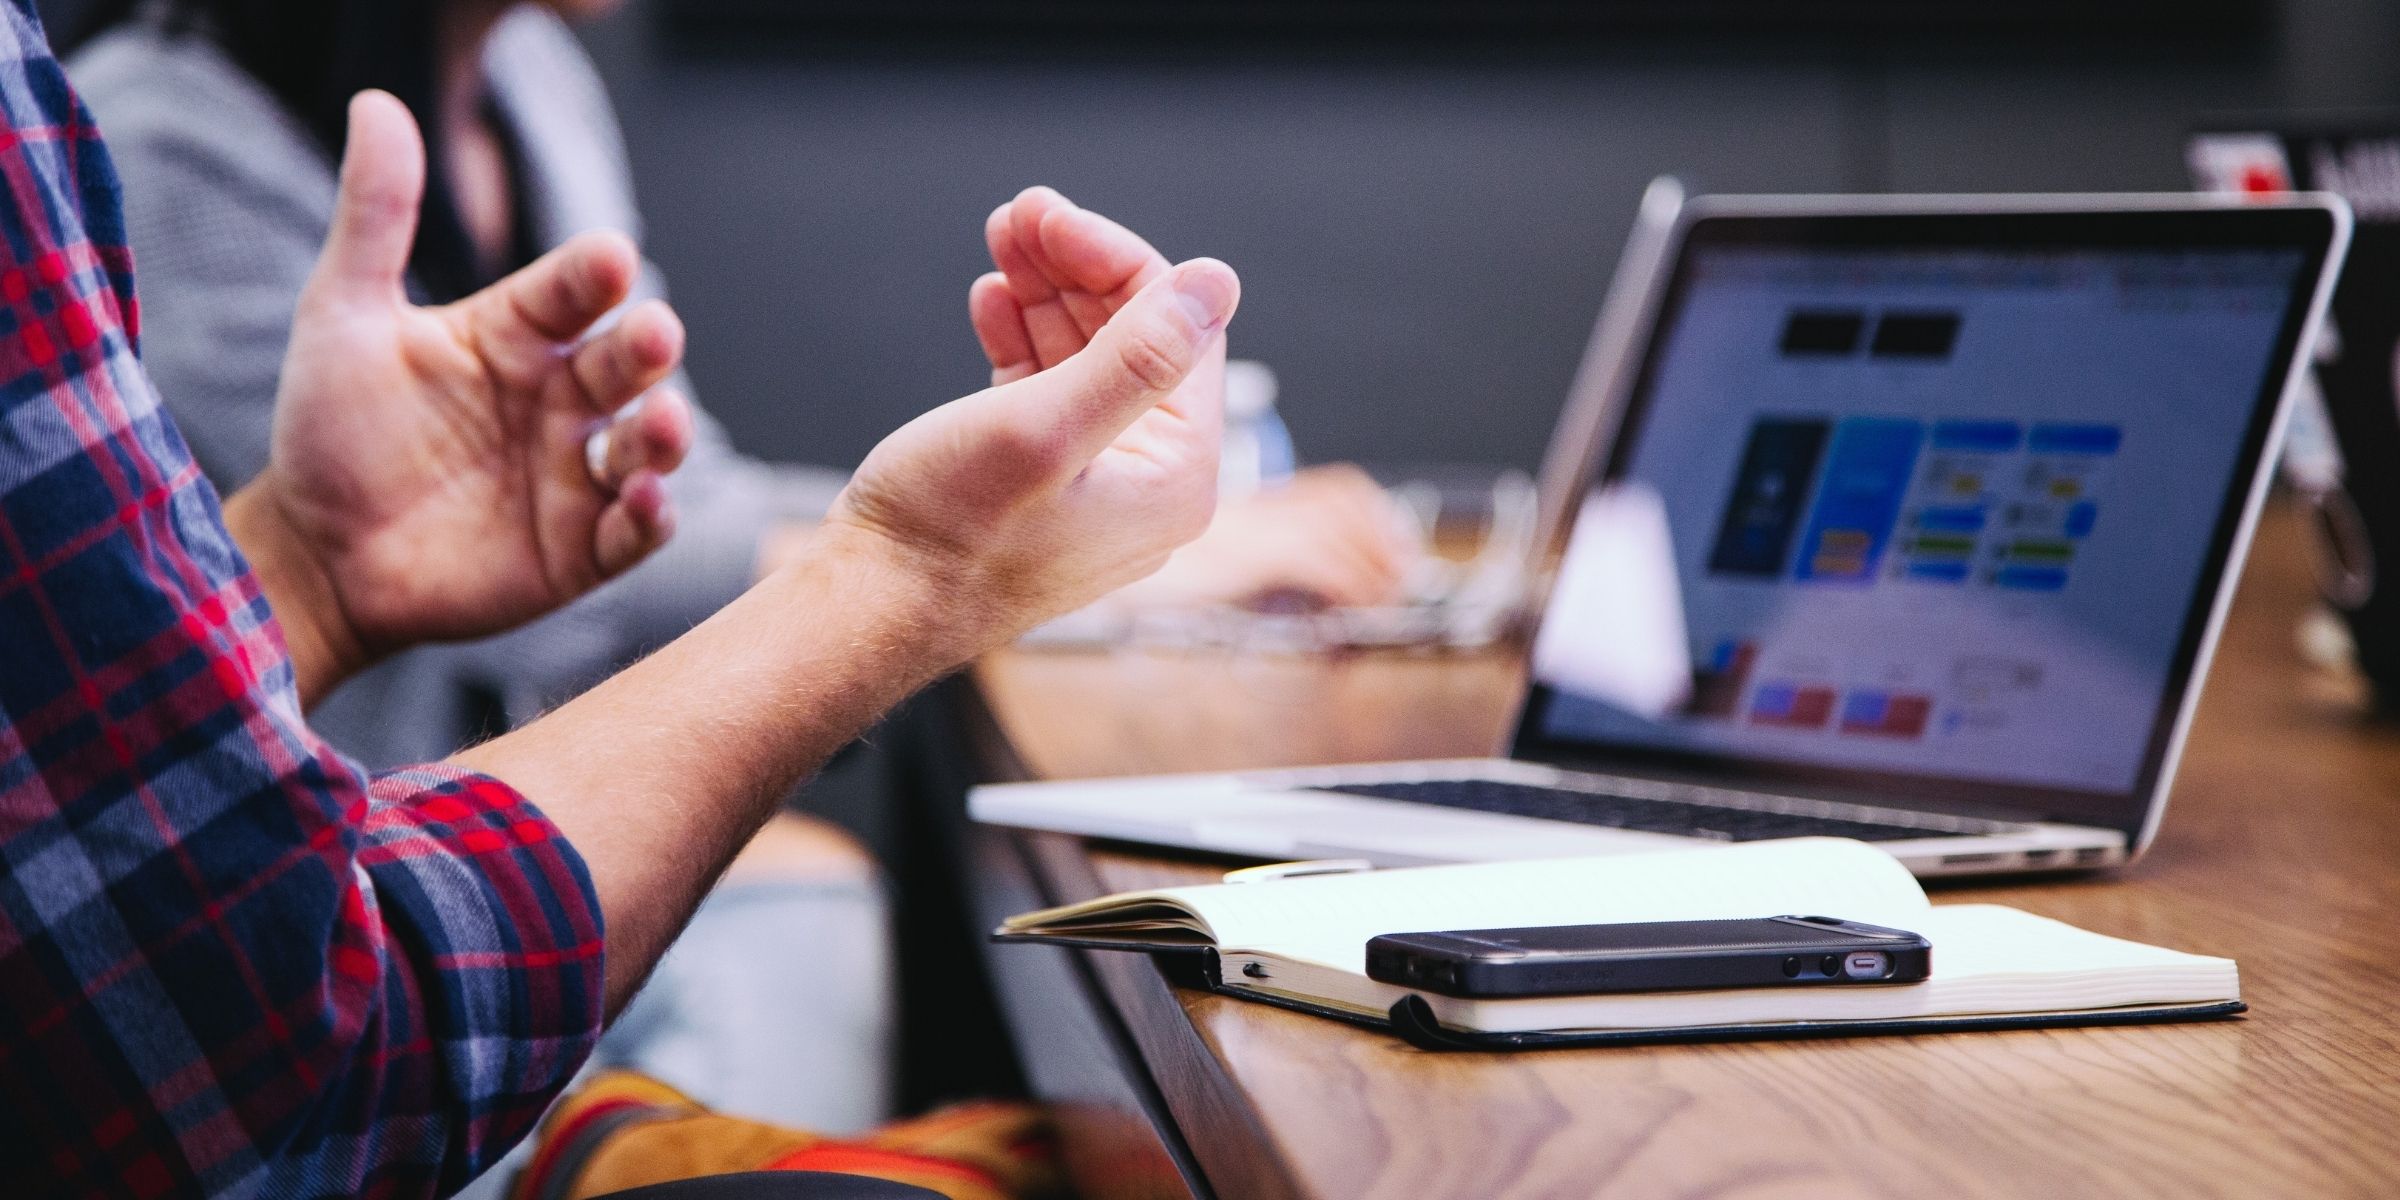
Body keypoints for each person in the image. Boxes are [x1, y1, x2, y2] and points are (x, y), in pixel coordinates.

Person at [61, 0, 1413, 1132]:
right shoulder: (162, 149)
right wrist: (1000, 554)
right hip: (304, 959)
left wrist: (1003, 539)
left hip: (470, 859)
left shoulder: (531, 78)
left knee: (817, 892)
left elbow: (652, 499)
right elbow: (581, 597)